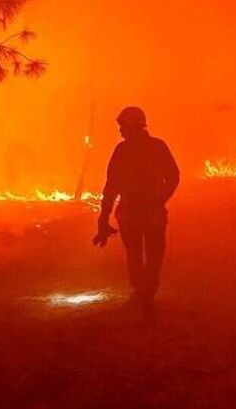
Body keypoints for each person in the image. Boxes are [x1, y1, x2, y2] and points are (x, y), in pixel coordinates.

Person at [93, 106, 180, 321]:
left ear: (132, 126)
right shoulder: (157, 147)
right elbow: (173, 176)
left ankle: (143, 292)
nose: (120, 131)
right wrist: (161, 198)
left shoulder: (122, 151)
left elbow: (111, 187)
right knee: (154, 256)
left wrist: (104, 217)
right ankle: (146, 293)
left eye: (122, 126)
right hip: (150, 213)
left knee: (135, 255)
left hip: (132, 214)